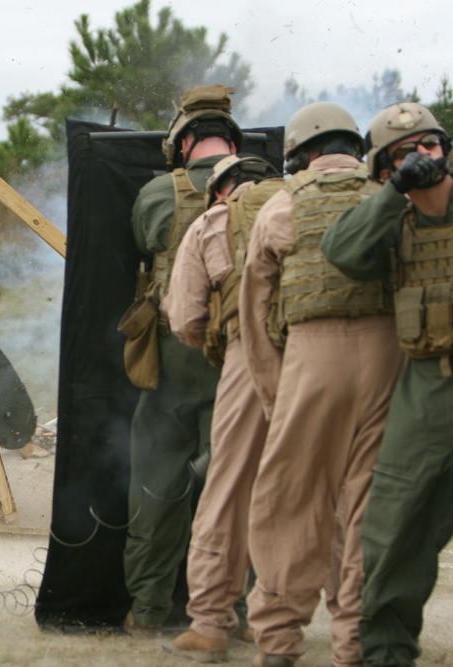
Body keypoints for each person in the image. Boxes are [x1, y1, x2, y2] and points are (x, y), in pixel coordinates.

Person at [238, 101, 405, 667]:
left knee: (290, 503)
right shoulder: (392, 197)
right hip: (390, 358)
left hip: (309, 361)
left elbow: (255, 315)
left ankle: (280, 643)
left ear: (299, 155)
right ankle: (354, 644)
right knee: (368, 505)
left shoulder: (281, 207)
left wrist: (276, 395)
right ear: (356, 148)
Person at [321, 102, 453, 667]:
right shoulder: (389, 224)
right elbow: (341, 251)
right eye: (406, 154)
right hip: (428, 387)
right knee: (396, 525)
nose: (424, 157)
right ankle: (386, 651)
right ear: (383, 171)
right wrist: (394, 194)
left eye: (431, 145)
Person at [124, 84, 241, 632]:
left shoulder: (156, 194)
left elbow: (145, 248)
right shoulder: (267, 191)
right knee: (239, 485)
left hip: (174, 355)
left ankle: (148, 611)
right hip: (242, 358)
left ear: (184, 139)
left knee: (155, 486)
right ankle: (235, 613)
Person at [161, 154, 283, 662]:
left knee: (228, 487)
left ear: (218, 191)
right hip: (332, 356)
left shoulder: (213, 222)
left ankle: (211, 624)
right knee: (316, 490)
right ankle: (279, 622)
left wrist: (223, 344)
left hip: (250, 358)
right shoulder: (301, 204)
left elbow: (184, 316)